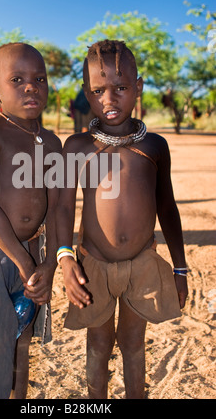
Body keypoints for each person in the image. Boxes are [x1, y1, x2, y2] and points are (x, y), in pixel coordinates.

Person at [56, 40, 188, 399]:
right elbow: (64, 209)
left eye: (121, 88)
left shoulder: (154, 146)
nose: (108, 99)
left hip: (142, 265)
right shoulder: (77, 147)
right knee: (98, 344)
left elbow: (168, 207)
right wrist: (66, 260)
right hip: (93, 266)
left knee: (133, 344)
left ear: (139, 87)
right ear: (86, 92)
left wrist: (179, 268)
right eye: (98, 91)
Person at [0, 42, 61, 399]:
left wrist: (49, 262)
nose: (30, 86)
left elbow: (57, 208)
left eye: (39, 78)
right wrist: (24, 262)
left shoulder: (51, 143)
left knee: (21, 340)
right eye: (17, 79)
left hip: (32, 249)